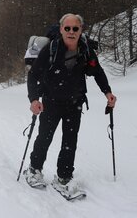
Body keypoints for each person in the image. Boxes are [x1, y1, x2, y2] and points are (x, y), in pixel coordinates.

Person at [24, 13, 117, 192]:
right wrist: (34, 99)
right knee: (45, 137)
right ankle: (34, 169)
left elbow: (97, 71)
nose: (71, 32)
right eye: (67, 28)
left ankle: (64, 177)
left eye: (75, 28)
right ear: (61, 30)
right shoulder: (51, 49)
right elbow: (33, 75)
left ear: (81, 30)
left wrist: (108, 92)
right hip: (51, 102)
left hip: (75, 102)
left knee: (70, 141)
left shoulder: (85, 50)